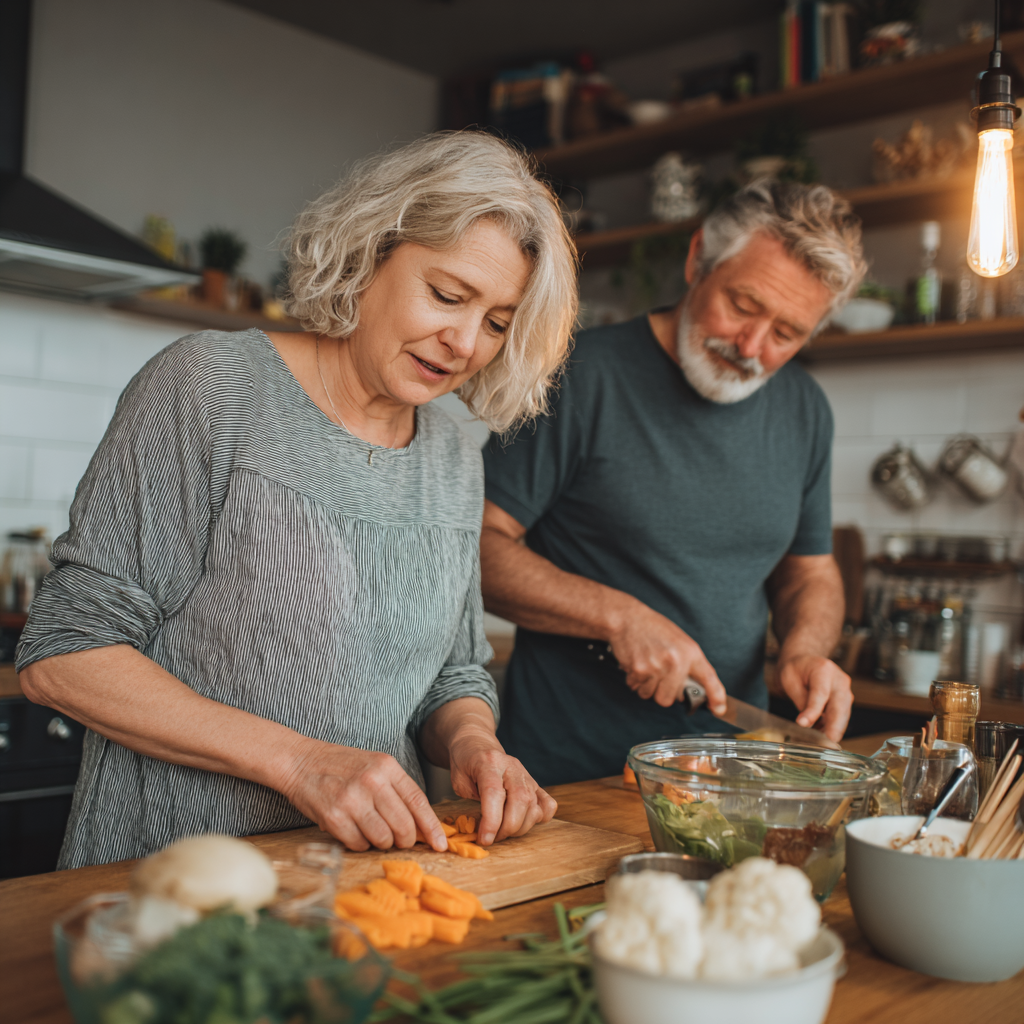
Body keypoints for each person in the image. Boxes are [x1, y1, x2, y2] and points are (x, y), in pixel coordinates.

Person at [17, 131, 577, 868]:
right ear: (371, 252)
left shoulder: (449, 454)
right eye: (447, 295)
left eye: (498, 323)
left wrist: (474, 742)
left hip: (368, 881)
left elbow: (452, 672)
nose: (465, 340)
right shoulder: (212, 388)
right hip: (173, 876)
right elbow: (65, 654)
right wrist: (300, 763)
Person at [480, 179, 867, 787]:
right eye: (742, 305)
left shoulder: (806, 409)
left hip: (725, 771)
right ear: (697, 261)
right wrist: (617, 617)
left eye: (786, 334)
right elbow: (475, 547)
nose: (752, 347)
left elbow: (811, 571)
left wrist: (806, 649)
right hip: (567, 775)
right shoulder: (578, 376)